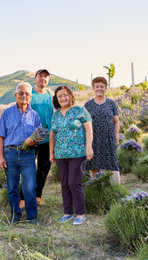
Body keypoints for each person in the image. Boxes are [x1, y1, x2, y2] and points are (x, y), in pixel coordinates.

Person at [0, 82, 41, 224]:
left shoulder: (34, 115)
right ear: (15, 95)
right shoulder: (7, 113)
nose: (23, 96)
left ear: (30, 96)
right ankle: (15, 216)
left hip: (28, 155)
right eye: (21, 93)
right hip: (10, 154)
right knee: (12, 187)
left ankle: (32, 217)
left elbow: (39, 136)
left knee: (30, 187)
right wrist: (1, 157)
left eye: (27, 93)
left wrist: (34, 141)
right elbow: (1, 136)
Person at [49, 86, 93, 225]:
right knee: (64, 184)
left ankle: (80, 213)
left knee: (74, 182)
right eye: (60, 96)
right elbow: (52, 134)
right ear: (56, 99)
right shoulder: (56, 115)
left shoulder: (80, 110)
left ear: (70, 96)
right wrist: (51, 152)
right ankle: (67, 213)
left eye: (65, 95)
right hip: (61, 154)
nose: (63, 98)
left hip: (77, 153)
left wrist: (89, 147)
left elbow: (89, 130)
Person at [19, 69, 53, 208]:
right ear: (35, 79)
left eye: (46, 77)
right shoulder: (30, 93)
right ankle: (23, 198)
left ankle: (37, 195)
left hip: (47, 135)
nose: (43, 79)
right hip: (31, 135)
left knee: (44, 168)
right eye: (40, 77)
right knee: (28, 168)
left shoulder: (50, 94)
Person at [84, 77, 121, 184]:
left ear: (106, 88)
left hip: (108, 138)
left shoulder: (111, 103)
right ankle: (96, 188)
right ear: (93, 88)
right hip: (93, 139)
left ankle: (117, 190)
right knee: (94, 165)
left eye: (102, 86)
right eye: (97, 86)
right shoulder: (88, 105)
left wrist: (116, 135)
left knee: (112, 165)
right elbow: (85, 124)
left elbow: (116, 122)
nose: (99, 89)